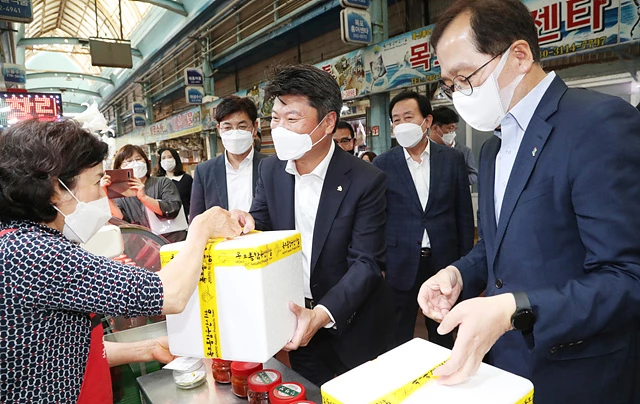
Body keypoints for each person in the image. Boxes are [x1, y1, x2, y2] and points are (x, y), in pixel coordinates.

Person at [417, 1, 640, 402]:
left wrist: (513, 309)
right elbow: (497, 243)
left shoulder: (596, 126)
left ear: (518, 56)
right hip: (510, 366)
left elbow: (627, 277)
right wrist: (458, 274)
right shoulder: (493, 148)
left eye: (465, 77)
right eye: (450, 84)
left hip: (578, 372)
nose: (458, 93)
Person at [0, 119, 246, 403]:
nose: (99, 196)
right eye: (95, 182)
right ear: (56, 189)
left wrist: (148, 348)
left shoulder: (21, 240)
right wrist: (201, 229)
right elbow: (170, 294)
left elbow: (59, 348)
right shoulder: (34, 253)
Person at [234, 65, 396, 386]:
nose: (279, 129)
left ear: (328, 123)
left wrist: (321, 315)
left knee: (361, 391)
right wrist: (246, 223)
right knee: (307, 390)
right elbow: (263, 222)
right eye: (275, 119)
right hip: (294, 319)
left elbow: (366, 263)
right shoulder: (271, 171)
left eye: (292, 120)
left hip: (350, 319)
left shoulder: (365, 180)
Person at [373, 91, 474, 348]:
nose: (401, 124)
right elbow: (377, 218)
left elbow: (463, 212)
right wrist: (380, 263)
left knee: (443, 329)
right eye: (396, 120)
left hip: (444, 260)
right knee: (399, 331)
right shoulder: (383, 164)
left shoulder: (452, 160)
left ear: (427, 121)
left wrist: (466, 261)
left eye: (408, 117)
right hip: (401, 261)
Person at [190, 96, 267, 220]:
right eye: (227, 127)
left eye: (242, 127)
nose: (235, 133)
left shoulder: (270, 167)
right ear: (219, 130)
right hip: (221, 239)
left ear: (254, 128)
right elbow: (197, 220)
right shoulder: (204, 171)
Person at [105, 144, 187, 243]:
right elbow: (121, 221)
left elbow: (172, 209)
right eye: (129, 161)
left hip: (173, 242)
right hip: (143, 248)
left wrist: (144, 198)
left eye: (138, 159)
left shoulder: (162, 182)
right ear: (119, 167)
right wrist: (107, 195)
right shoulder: (119, 193)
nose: (135, 163)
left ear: (146, 161)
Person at [430, 106, 478, 185]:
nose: (452, 132)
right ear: (435, 128)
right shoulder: (424, 150)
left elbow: (474, 175)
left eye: (454, 129)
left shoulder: (464, 151)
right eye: (449, 128)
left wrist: (456, 181)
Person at [156, 147, 193, 219]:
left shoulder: (186, 179)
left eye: (169, 157)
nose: (166, 160)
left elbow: (194, 200)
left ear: (176, 159)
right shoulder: (157, 181)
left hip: (185, 219)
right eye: (163, 158)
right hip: (163, 221)